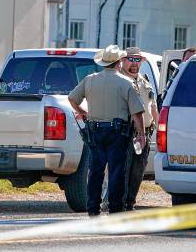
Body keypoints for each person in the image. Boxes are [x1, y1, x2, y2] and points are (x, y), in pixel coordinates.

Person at [68, 45, 145, 216]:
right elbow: (137, 114)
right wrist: (141, 134)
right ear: (119, 62)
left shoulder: (89, 79)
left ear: (103, 63)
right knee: (117, 171)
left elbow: (72, 98)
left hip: (95, 132)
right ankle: (115, 209)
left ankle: (93, 209)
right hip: (118, 133)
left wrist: (83, 113)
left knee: (95, 171)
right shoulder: (127, 83)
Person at [122, 47, 159, 211]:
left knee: (138, 170)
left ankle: (130, 202)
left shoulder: (145, 80)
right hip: (126, 130)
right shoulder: (120, 80)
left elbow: (153, 106)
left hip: (145, 132)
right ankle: (119, 202)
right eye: (131, 59)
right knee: (124, 168)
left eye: (138, 60)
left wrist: (158, 128)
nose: (134, 63)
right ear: (123, 60)